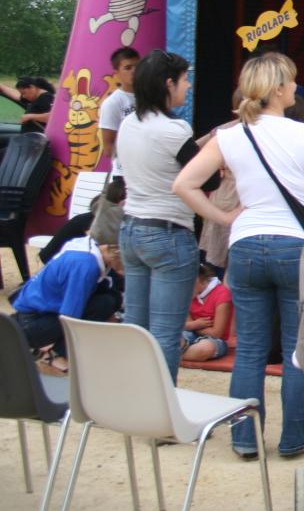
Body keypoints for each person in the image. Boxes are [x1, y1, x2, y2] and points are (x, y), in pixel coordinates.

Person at [174, 52, 304, 460]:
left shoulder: (230, 135)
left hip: (246, 246)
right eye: (292, 82)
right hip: (294, 249)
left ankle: (245, 439)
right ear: (280, 89)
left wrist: (226, 216)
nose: (295, 89)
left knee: (248, 349)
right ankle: (294, 439)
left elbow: (184, 184)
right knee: (296, 350)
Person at [115, 50, 217, 381]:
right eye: (185, 80)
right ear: (168, 83)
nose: (188, 87)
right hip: (168, 235)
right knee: (165, 332)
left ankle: (131, 400)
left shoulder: (129, 123)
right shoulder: (174, 129)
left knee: (135, 324)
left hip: (131, 230)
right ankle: (160, 414)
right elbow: (208, 178)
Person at [11, 236, 124, 374]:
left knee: (110, 298)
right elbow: (70, 316)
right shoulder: (85, 265)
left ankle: (51, 350)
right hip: (32, 323)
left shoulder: (87, 248)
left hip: (30, 316)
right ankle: (55, 356)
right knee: (103, 304)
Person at [182, 262, 234, 362]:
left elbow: (217, 333)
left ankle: (173, 355)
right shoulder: (187, 295)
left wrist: (194, 326)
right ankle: (177, 353)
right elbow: (186, 324)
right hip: (189, 334)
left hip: (214, 340)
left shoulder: (222, 293)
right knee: (172, 340)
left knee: (204, 349)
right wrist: (195, 325)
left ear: (196, 280)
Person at [99, 46, 140, 163]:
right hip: (125, 173)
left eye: (137, 67)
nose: (134, 71)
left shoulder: (152, 97)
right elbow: (108, 148)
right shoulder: (112, 103)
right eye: (128, 68)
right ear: (117, 73)